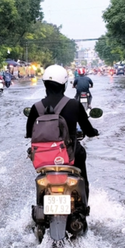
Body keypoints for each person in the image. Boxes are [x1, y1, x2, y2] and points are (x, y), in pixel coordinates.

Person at [25, 65, 98, 199]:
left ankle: (41, 204)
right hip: (71, 156)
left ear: (45, 84)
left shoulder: (36, 107)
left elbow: (29, 133)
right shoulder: (74, 104)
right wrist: (94, 132)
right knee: (82, 178)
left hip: (44, 158)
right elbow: (88, 129)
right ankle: (83, 207)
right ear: (64, 85)